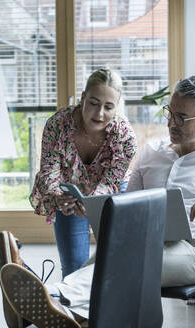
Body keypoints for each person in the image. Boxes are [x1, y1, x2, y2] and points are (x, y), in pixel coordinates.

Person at [0, 76, 195, 327]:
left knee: (113, 268)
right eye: (169, 112)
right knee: (102, 268)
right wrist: (96, 208)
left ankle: (48, 296)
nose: (170, 122)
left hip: (186, 253)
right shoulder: (151, 152)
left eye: (181, 117)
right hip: (132, 243)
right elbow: (124, 204)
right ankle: (49, 310)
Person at [29, 67, 137, 279]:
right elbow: (49, 171)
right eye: (94, 103)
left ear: (117, 107)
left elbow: (110, 182)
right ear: (83, 98)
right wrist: (58, 197)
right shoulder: (57, 125)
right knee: (74, 270)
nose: (99, 114)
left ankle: (108, 310)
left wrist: (91, 203)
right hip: (69, 195)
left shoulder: (125, 137)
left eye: (108, 107)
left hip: (110, 194)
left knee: (115, 264)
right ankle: (76, 311)